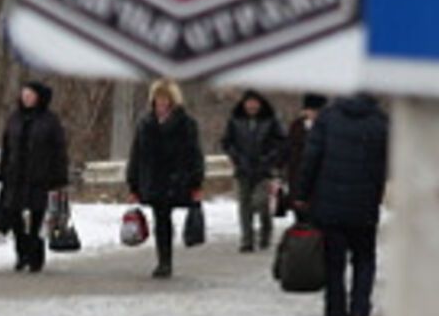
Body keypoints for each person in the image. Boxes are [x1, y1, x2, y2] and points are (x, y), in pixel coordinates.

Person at [295, 92, 390, 316]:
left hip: (329, 204)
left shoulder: (328, 118)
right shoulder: (381, 121)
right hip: (364, 204)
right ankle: (359, 311)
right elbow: (388, 162)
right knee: (364, 260)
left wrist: (302, 194)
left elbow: (311, 157)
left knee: (333, 266)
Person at [126, 79, 205, 279]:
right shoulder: (145, 123)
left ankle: (167, 258)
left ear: (172, 101)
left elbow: (195, 154)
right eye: (158, 99)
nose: (161, 103)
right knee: (161, 219)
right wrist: (133, 184)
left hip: (177, 178)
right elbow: (136, 155)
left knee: (165, 217)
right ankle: (164, 260)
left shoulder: (186, 124)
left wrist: (196, 181)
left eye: (165, 99)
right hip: (154, 179)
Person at [0, 82, 72, 274]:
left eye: (30, 94)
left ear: (39, 97)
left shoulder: (50, 121)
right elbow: (6, 146)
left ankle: (36, 256)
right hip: (16, 176)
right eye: (24, 94)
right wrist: (2, 171)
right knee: (14, 215)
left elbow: (59, 151)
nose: (26, 97)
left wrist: (59, 178)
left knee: (38, 217)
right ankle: (22, 251)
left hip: (40, 177)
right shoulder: (14, 118)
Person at [221, 90, 286, 254]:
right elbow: (226, 141)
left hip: (264, 170)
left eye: (255, 102)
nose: (251, 105)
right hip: (242, 169)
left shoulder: (270, 120)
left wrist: (270, 159)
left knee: (260, 202)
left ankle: (266, 230)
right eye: (249, 102)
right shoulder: (235, 120)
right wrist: (235, 157)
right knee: (244, 206)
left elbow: (281, 143)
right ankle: (247, 240)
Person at [279, 94, 328, 219]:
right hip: (297, 176)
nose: (314, 113)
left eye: (317, 110)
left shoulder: (328, 127)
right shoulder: (296, 126)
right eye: (311, 110)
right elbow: (287, 148)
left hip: (320, 178)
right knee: (300, 215)